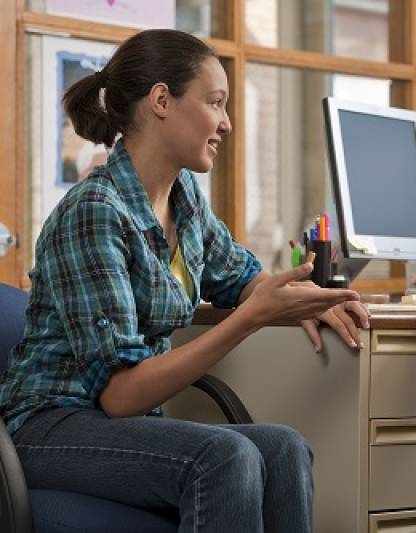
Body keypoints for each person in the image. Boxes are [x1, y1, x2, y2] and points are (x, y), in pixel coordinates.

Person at [0, 29, 370, 533]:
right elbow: (120, 395)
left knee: (284, 448)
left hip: (119, 425)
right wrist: (249, 319)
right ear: (161, 101)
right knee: (225, 456)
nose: (227, 123)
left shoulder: (186, 199)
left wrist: (305, 297)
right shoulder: (94, 213)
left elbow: (240, 276)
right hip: (50, 428)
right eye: (215, 103)